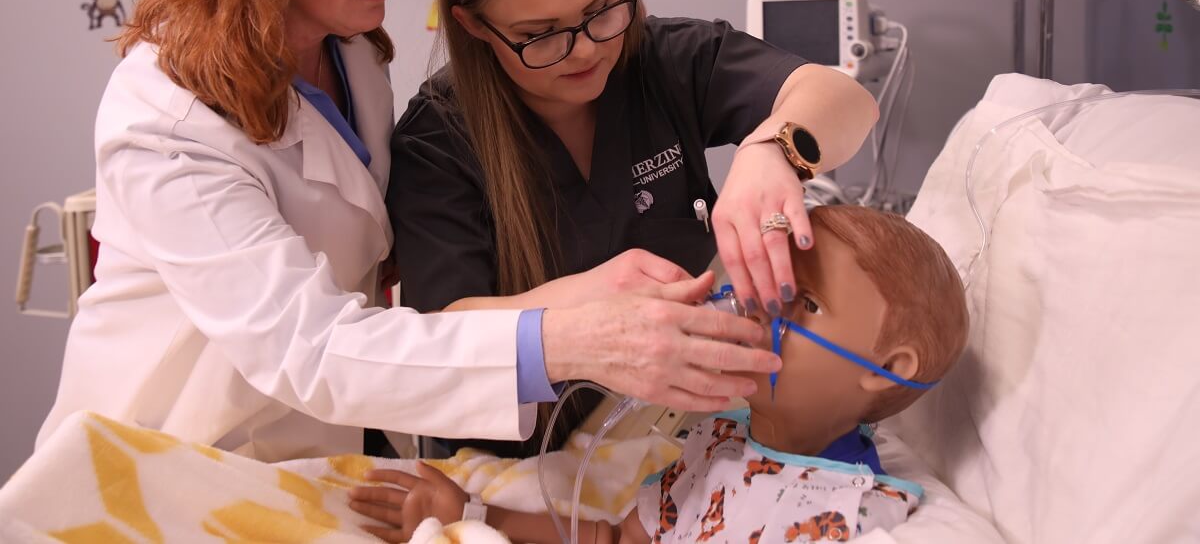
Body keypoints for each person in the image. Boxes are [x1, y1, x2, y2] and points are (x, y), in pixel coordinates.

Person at [35, 0, 781, 464]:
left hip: (313, 448)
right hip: (164, 456)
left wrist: (771, 149)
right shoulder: (165, 120)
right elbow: (312, 346)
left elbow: (367, 262)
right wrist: (566, 340)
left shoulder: (356, 61)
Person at [387, 0, 879, 454]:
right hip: (514, 466)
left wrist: (773, 150)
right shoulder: (438, 140)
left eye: (602, 10)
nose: (586, 50)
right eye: (542, 34)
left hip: (669, 439)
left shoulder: (666, 61)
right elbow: (440, 335)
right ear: (473, 26)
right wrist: (584, 304)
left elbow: (846, 101)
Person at [348, 205, 970, 543]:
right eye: (769, 287)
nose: (758, 311)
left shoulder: (855, 514)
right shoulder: (719, 443)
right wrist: (475, 515)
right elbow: (620, 541)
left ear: (888, 371)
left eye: (805, 305)